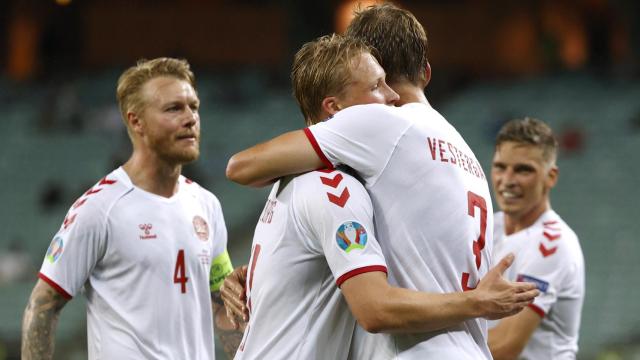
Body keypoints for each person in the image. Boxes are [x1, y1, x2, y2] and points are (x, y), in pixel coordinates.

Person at [225, 4, 537, 358]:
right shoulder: (465, 156)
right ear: (427, 71)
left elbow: (243, 166)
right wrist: (276, 269)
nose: (387, 96)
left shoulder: (380, 125)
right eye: (376, 86)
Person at [21, 57, 242, 359]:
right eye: (174, 108)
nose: (190, 118)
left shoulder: (207, 205)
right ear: (136, 121)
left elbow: (221, 306)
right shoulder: (99, 208)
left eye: (194, 106)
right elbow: (42, 306)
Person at [488, 118, 585, 359]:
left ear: (551, 177)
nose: (507, 180)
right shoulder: (487, 226)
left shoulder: (552, 243)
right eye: (500, 167)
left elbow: (505, 347)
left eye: (523, 170)